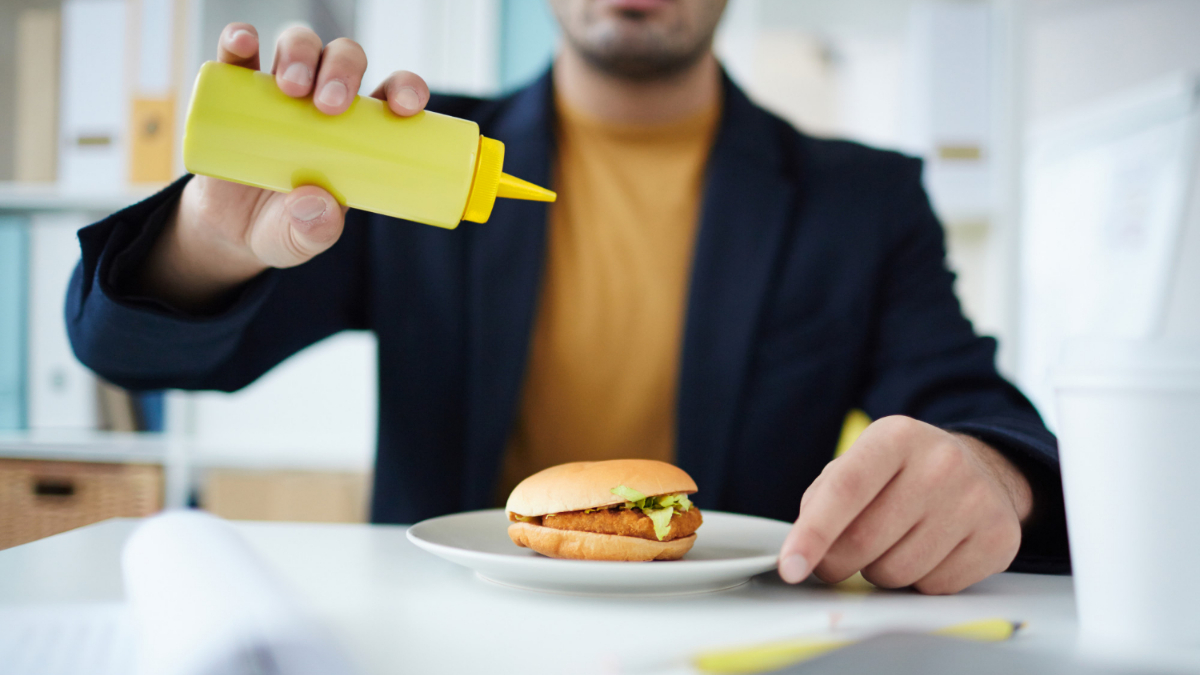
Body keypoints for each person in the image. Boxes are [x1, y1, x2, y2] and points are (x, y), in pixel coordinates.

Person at [67, 0, 1068, 594]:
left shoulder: (863, 201)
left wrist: (990, 472)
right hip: (446, 644)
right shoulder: (399, 155)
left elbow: (978, 410)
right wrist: (208, 238)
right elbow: (134, 353)